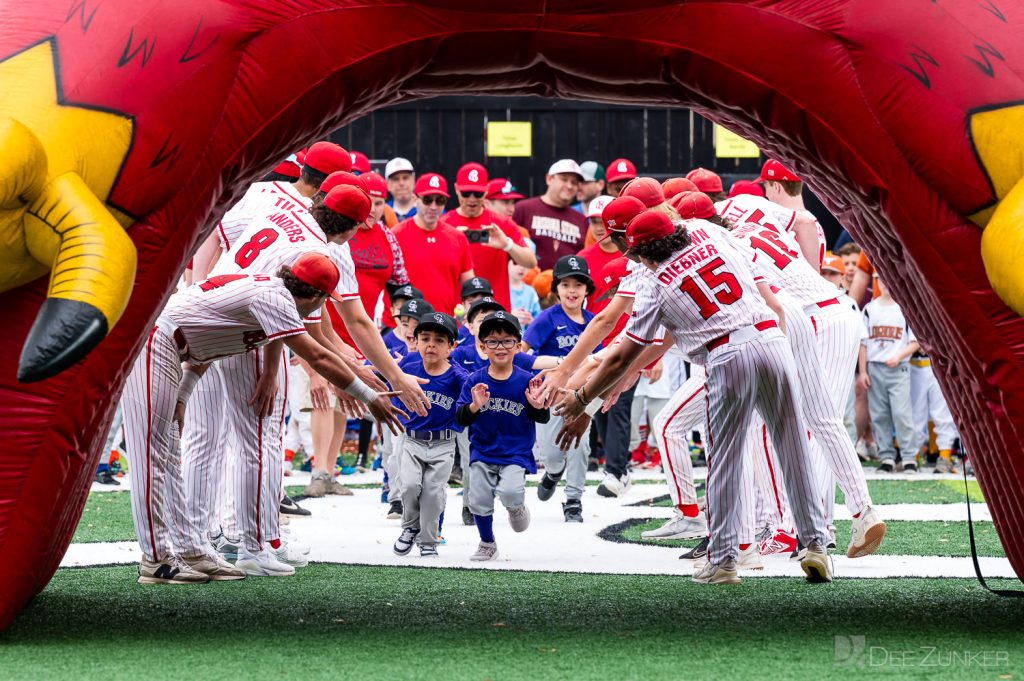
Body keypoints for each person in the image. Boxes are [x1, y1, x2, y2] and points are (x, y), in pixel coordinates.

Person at [554, 210, 833, 585]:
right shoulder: (708, 233)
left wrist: (583, 397)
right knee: (794, 446)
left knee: (725, 461)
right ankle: (816, 545)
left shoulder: (653, 283)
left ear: (639, 249)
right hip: (771, 336)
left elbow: (624, 355)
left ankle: (723, 560)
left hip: (726, 355)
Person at [124, 254, 405, 583]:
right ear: (316, 297)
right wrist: (370, 396)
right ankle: (154, 558)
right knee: (152, 454)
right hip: (152, 336)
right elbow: (315, 354)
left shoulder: (269, 296)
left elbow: (208, 345)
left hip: (169, 343)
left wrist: (184, 395)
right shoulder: (274, 298)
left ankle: (190, 551)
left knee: (168, 453)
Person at [456, 311, 549, 561]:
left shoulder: (527, 380)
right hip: (482, 452)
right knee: (477, 498)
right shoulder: (475, 381)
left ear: (518, 346)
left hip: (515, 453)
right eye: (493, 341)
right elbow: (461, 418)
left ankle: (516, 506)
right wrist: (475, 405)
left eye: (507, 340)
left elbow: (543, 417)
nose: (500, 346)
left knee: (509, 493)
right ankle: (487, 543)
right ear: (482, 346)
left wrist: (537, 406)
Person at [524, 255, 597, 522]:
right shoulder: (547, 318)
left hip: (582, 395)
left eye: (578, 284)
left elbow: (600, 362)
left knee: (580, 445)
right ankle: (554, 472)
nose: (572, 291)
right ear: (556, 289)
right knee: (553, 454)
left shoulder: (593, 321)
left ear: (587, 289)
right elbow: (523, 352)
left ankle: (574, 499)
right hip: (550, 394)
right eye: (566, 285)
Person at [391, 313, 468, 558]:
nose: (431, 344)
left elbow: (471, 398)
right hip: (412, 439)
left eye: (439, 340)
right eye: (425, 338)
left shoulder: (457, 376)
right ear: (415, 341)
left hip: (444, 443)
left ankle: (428, 541)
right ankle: (410, 527)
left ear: (452, 346)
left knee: (433, 493)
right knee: (410, 485)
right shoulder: (408, 365)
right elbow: (386, 381)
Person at [442, 163, 536, 310]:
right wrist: (452, 243)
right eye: (466, 193)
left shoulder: (502, 223)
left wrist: (507, 244)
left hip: (495, 310)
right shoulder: (445, 224)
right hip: (456, 311)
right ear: (456, 189)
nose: (472, 199)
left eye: (477, 193)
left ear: (486, 191)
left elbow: (530, 262)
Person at [859, 274, 921, 473]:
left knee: (902, 414)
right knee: (879, 415)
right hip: (875, 367)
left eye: (888, 277)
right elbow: (863, 343)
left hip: (898, 369)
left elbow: (916, 341)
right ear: (876, 281)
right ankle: (886, 456)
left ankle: (909, 456)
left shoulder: (904, 309)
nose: (886, 282)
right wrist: (863, 371)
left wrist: (899, 355)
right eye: (880, 278)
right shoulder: (870, 309)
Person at [394, 173, 476, 314]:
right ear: (415, 199)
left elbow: (470, 287)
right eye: (427, 200)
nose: (433, 206)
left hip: (445, 324)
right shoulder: (396, 235)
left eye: (439, 201)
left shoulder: (457, 238)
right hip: (406, 324)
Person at [513, 159, 589, 269]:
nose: (569, 186)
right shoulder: (523, 209)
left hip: (567, 284)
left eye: (574, 182)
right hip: (528, 283)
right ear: (549, 179)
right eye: (564, 179)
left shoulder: (582, 220)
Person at [757, 160, 826, 269]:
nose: (766, 194)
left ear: (776, 187)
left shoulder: (786, 226)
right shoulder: (813, 221)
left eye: (766, 186)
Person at [575, 195, 618, 311]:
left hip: (631, 328)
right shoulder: (582, 258)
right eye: (594, 222)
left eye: (604, 221)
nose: (599, 228)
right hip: (593, 326)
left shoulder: (634, 256)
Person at [509, 259, 541, 327]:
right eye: (516, 263)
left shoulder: (531, 292)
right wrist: (508, 315)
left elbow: (539, 319)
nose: (522, 267)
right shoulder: (498, 289)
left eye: (525, 264)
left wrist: (531, 321)